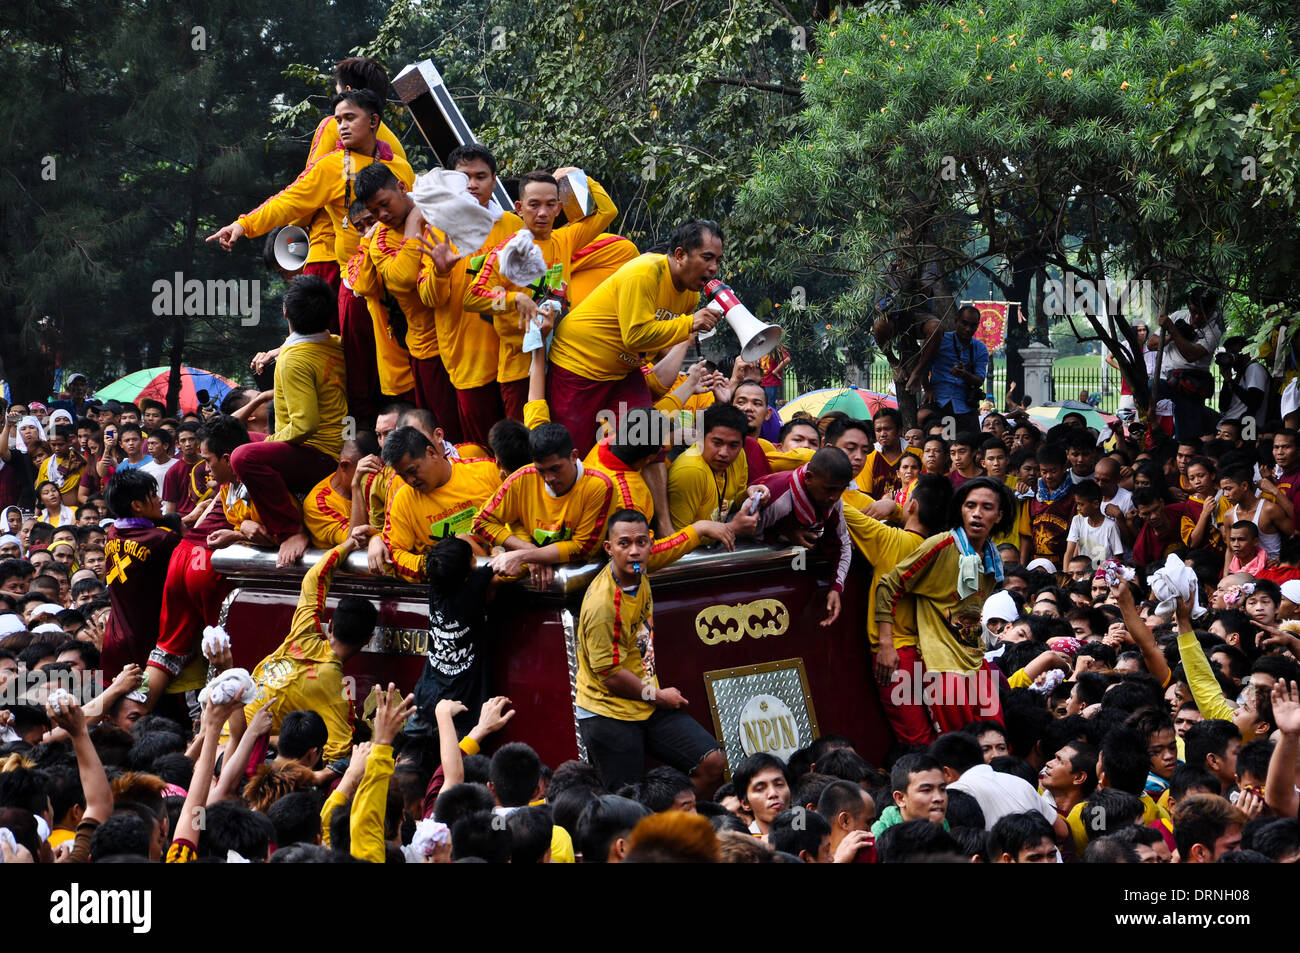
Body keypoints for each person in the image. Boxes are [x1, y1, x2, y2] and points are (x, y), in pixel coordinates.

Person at [573, 509, 725, 795]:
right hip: (608, 710)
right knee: (628, 805)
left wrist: (705, 527)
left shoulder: (641, 566)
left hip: (647, 702)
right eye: (624, 544)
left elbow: (674, 546)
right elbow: (611, 677)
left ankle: (668, 820)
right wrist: (659, 696)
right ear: (609, 548)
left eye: (641, 542)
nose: (634, 551)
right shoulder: (603, 605)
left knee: (712, 762)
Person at [546, 219, 724, 457]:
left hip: (622, 375)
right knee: (572, 454)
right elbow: (636, 337)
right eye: (707, 257)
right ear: (680, 255)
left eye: (718, 261)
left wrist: (693, 375)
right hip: (579, 366)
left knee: (649, 443)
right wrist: (689, 324)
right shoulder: (645, 272)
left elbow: (665, 343)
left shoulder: (690, 296)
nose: (714, 268)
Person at [463, 168, 618, 421]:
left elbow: (607, 211)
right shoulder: (505, 252)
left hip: (561, 361)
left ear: (559, 208)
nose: (543, 213)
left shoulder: (564, 239)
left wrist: (580, 175)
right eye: (534, 205)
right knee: (525, 449)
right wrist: (516, 299)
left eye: (549, 205)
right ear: (519, 208)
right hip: (519, 369)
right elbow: (472, 298)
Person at [876, 477, 1017, 735]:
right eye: (970, 505)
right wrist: (885, 644)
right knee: (960, 743)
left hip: (974, 660)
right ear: (960, 510)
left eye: (986, 507)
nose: (976, 513)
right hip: (942, 666)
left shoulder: (993, 556)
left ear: (999, 515)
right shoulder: (941, 545)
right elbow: (888, 586)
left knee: (994, 736)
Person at [230, 275, 349, 567]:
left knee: (243, 456)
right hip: (337, 443)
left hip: (320, 453)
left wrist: (271, 440)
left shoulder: (294, 359)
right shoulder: (335, 342)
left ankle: (289, 529)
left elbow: (305, 425)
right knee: (235, 439)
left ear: (285, 312)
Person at [416, 144, 524, 446]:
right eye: (465, 177)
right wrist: (439, 272)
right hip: (468, 357)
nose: (474, 184)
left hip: (514, 355)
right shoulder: (437, 229)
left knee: (521, 444)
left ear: (494, 180)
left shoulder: (513, 225)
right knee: (486, 448)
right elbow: (429, 298)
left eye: (481, 176)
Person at [238, 531, 377, 765]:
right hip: (245, 752)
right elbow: (339, 753)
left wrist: (349, 543)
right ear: (369, 640)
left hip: (227, 730)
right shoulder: (335, 690)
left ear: (330, 624)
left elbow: (315, 577)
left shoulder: (304, 631)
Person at [472, 422, 615, 587]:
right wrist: (530, 551)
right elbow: (480, 522)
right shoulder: (522, 478)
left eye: (555, 469)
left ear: (574, 456)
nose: (549, 478)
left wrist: (524, 556)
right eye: (541, 471)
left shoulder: (600, 486)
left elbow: (582, 547)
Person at [377, 425, 502, 582]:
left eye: (412, 471)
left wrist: (502, 551)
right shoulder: (402, 500)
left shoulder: (487, 472)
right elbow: (395, 554)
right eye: (402, 476)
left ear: (431, 453)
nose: (410, 481)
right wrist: (437, 566)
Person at [753, 447, 853, 626]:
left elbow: (842, 544)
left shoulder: (834, 501)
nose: (835, 497)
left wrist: (836, 587)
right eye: (829, 489)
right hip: (760, 583)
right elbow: (747, 532)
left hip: (797, 571)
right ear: (808, 478)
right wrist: (784, 534)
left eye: (841, 490)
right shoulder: (778, 500)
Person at [101, 469, 181, 675]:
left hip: (114, 639)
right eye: (153, 495)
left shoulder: (113, 532)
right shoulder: (163, 540)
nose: (160, 499)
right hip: (148, 644)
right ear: (137, 506)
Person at [1156, 288, 1224, 441]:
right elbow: (1151, 344)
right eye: (1193, 311)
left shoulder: (1214, 330)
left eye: (1202, 313)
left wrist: (1173, 330)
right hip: (1167, 380)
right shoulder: (1178, 316)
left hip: (1191, 386)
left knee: (1186, 437)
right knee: (1148, 387)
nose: (1196, 317)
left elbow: (1191, 355)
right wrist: (1170, 337)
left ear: (1212, 310)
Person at [919, 304, 987, 435]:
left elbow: (979, 380)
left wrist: (964, 375)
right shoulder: (941, 340)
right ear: (956, 321)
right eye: (964, 323)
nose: (968, 329)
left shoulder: (980, 348)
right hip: (938, 401)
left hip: (964, 406)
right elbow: (923, 365)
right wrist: (927, 388)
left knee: (972, 444)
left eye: (973, 325)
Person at [1062, 480, 1123, 568]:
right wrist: (1066, 576)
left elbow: (1118, 558)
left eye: (1081, 504)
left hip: (1102, 576)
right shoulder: (1077, 520)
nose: (1078, 508)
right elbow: (1069, 552)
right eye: (1077, 504)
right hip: (1081, 574)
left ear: (1095, 504)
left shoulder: (1110, 526)